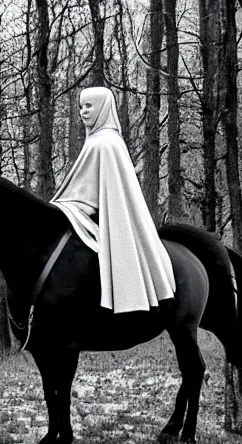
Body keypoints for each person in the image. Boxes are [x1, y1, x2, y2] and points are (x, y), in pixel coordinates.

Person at [50, 86, 175, 314]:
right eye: (81, 106)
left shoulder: (103, 143)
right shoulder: (103, 140)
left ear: (102, 108)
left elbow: (87, 195)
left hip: (110, 217)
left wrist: (62, 206)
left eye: (89, 106)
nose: (83, 112)